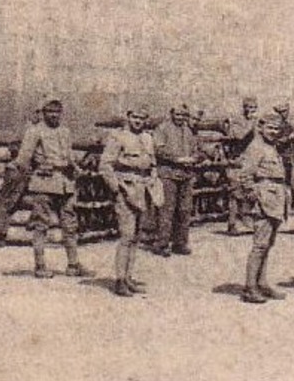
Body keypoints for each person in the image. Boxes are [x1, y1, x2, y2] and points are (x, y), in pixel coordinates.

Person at [17, 98, 88, 279]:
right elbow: (23, 160)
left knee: (70, 225)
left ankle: (73, 264)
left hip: (65, 183)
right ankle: (40, 266)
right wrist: (35, 170)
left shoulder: (65, 131)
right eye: (49, 111)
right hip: (44, 183)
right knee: (41, 225)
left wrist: (77, 169)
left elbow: (69, 155)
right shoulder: (34, 131)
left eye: (57, 112)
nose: (54, 115)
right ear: (43, 112)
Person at [99, 106, 162, 298]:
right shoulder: (118, 137)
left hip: (143, 191)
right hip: (126, 190)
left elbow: (152, 164)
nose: (138, 121)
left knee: (136, 236)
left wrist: (153, 180)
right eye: (135, 117)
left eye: (142, 118)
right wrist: (116, 189)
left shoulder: (148, 138)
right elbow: (105, 166)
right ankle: (119, 280)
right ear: (128, 117)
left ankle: (128, 278)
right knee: (126, 236)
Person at [237, 114, 291, 304]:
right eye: (270, 128)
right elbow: (245, 175)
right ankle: (250, 288)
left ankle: (261, 282)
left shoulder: (271, 147)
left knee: (267, 244)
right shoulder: (255, 148)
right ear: (260, 128)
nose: (274, 132)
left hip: (275, 199)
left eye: (277, 129)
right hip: (264, 199)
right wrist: (253, 195)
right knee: (259, 245)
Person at [151, 103, 202, 257]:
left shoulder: (188, 132)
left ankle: (180, 243)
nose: (181, 118)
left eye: (184, 115)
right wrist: (177, 159)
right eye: (178, 114)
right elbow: (158, 150)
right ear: (172, 113)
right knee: (167, 210)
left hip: (186, 174)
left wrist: (195, 158)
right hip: (168, 174)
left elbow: (197, 150)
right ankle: (162, 244)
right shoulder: (162, 129)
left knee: (185, 210)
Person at [0, 107, 42, 246]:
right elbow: (14, 147)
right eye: (38, 113)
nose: (40, 117)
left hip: (25, 172)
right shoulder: (27, 130)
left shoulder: (36, 130)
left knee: (12, 203)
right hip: (16, 170)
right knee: (6, 202)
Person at [221, 96, 261, 236]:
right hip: (236, 161)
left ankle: (247, 220)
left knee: (249, 191)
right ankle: (232, 224)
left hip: (250, 160)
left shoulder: (256, 122)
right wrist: (252, 125)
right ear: (244, 108)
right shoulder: (237, 121)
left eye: (254, 108)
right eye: (249, 107)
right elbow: (239, 136)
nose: (251, 111)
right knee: (235, 193)